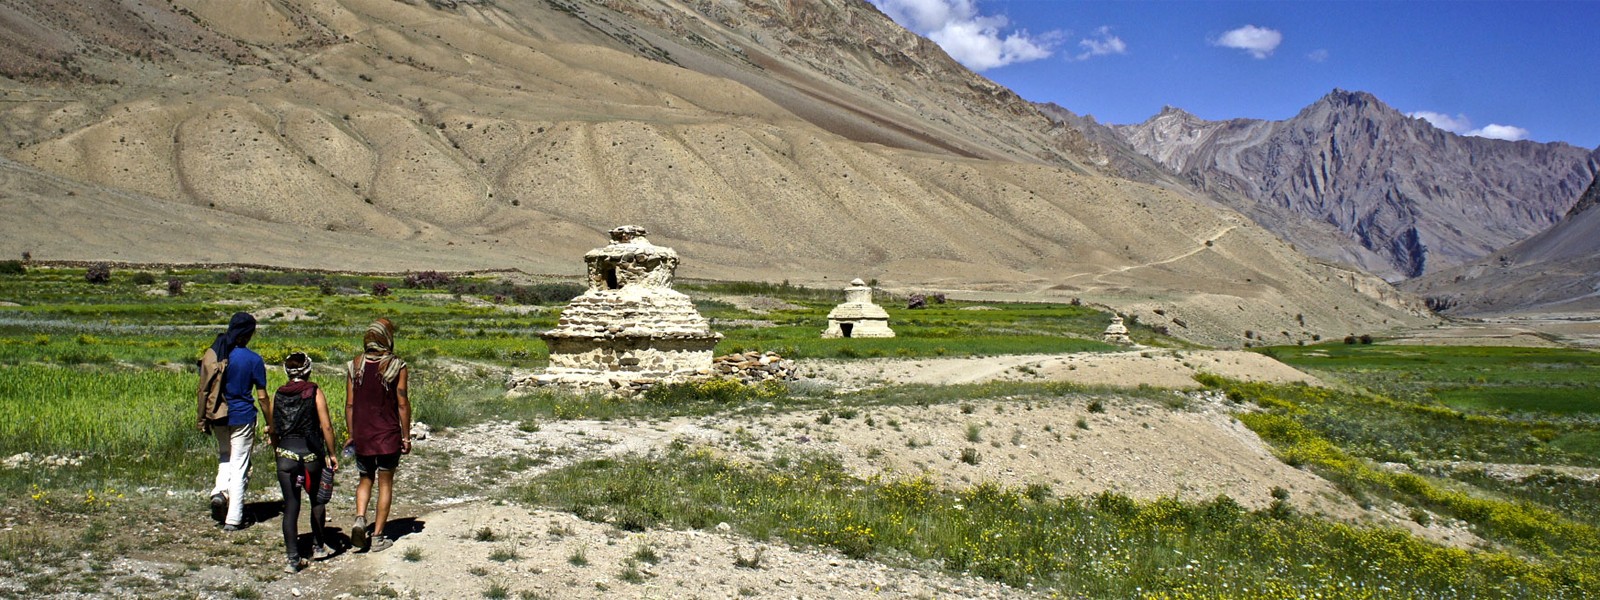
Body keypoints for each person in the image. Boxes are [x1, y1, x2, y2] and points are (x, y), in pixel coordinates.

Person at [346, 318, 411, 552]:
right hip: (387, 435)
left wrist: (352, 434)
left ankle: (360, 517)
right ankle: (378, 537)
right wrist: (406, 436)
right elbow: (402, 403)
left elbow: (350, 405)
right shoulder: (397, 366)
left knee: (365, 479)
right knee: (385, 483)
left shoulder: (355, 365)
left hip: (362, 434)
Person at [270, 352, 339, 573]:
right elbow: (326, 426)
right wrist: (332, 452)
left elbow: (273, 428)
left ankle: (293, 559)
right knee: (317, 501)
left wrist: (277, 449)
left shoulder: (278, 394)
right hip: (311, 455)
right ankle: (319, 547)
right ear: (308, 370)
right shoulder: (314, 392)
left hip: (286, 454)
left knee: (291, 506)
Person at [205, 312, 271, 531]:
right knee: (240, 464)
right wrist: (270, 421)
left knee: (225, 456)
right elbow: (262, 397)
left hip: (219, 415)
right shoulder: (253, 359)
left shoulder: (218, 355)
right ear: (247, 334)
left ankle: (219, 492)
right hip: (242, 416)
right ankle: (234, 517)